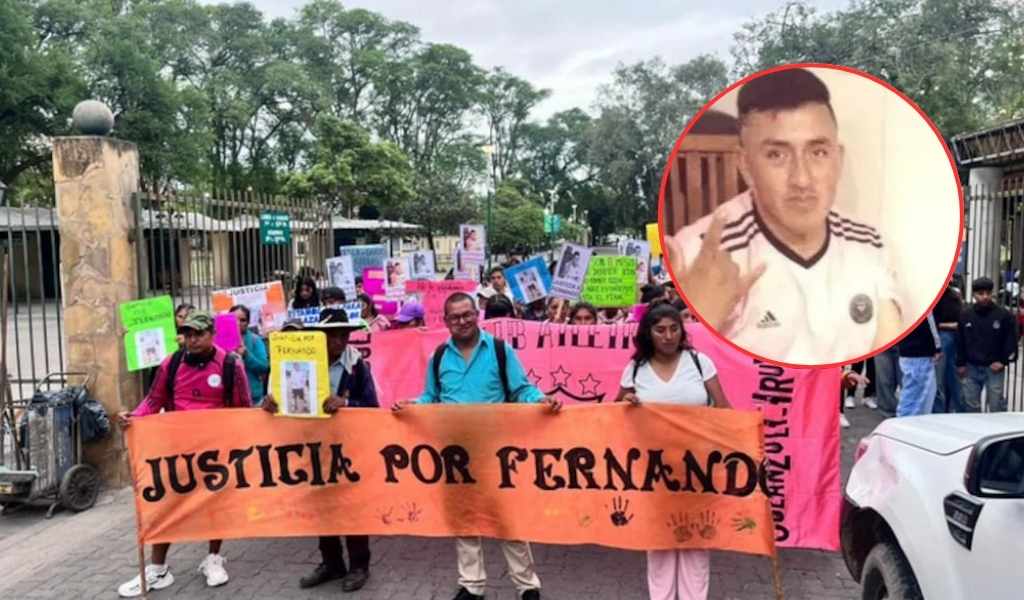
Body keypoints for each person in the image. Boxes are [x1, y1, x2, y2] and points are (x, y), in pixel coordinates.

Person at [667, 68, 901, 365]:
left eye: (818, 152)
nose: (802, 179)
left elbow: (887, 337)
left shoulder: (868, 243)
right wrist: (704, 317)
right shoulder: (699, 255)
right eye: (777, 155)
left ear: (838, 159)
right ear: (745, 165)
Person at [393, 292, 560, 600]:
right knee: (464, 520)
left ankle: (527, 586)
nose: (462, 321)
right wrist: (412, 406)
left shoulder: (499, 350)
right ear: (446, 322)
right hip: (455, 456)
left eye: (467, 314)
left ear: (477, 315)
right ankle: (472, 585)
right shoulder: (439, 357)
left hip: (498, 454)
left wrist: (540, 400)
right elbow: (431, 397)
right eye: (455, 317)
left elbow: (521, 390)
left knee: (508, 521)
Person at [115, 312, 251, 598]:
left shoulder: (230, 365)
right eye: (188, 334)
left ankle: (213, 558)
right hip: (176, 451)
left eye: (198, 334)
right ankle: (158, 569)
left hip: (215, 452)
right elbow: (154, 400)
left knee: (214, 506)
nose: (192, 339)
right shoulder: (172, 363)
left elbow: (243, 409)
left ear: (212, 334)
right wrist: (134, 417)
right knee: (166, 505)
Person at [614, 303, 729, 600]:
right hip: (653, 470)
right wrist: (627, 403)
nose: (668, 336)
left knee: (696, 539)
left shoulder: (700, 363)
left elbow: (725, 411)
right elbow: (613, 413)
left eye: (674, 328)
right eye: (660, 330)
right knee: (659, 539)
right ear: (648, 333)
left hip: (697, 469)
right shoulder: (635, 369)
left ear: (682, 331)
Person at [262, 309, 377, 592]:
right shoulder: (295, 362)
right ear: (320, 336)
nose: (339, 341)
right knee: (322, 506)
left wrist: (346, 404)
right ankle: (331, 563)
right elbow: (280, 400)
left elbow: (373, 406)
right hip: (311, 446)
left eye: (344, 335)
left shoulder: (356, 366)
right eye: (333, 335)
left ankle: (359, 566)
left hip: (348, 449)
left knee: (351, 507)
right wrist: (270, 403)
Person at [957, 276, 1018, 412]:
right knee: (971, 406)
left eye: (988, 293)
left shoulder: (1003, 315)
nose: (985, 297)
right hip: (972, 367)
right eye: (981, 293)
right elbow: (960, 341)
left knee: (996, 406)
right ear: (974, 295)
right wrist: (960, 363)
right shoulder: (965, 315)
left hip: (994, 367)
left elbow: (1011, 340)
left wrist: (1003, 361)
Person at [896, 311, 941, 416]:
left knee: (911, 394)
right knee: (920, 397)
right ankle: (905, 423)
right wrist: (938, 347)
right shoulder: (923, 303)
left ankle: (904, 422)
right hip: (921, 351)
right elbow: (931, 322)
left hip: (907, 349)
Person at [229, 305, 270, 406]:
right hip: (229, 398)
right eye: (234, 319)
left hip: (253, 398)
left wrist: (246, 355)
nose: (238, 323)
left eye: (243, 320)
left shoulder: (255, 340)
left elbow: (264, 367)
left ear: (248, 322)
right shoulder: (219, 341)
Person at [933, 285, 963, 412]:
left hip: (946, 337)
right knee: (947, 378)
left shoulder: (952, 294)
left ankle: (942, 411)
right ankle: (952, 409)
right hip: (945, 336)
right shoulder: (952, 294)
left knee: (943, 378)